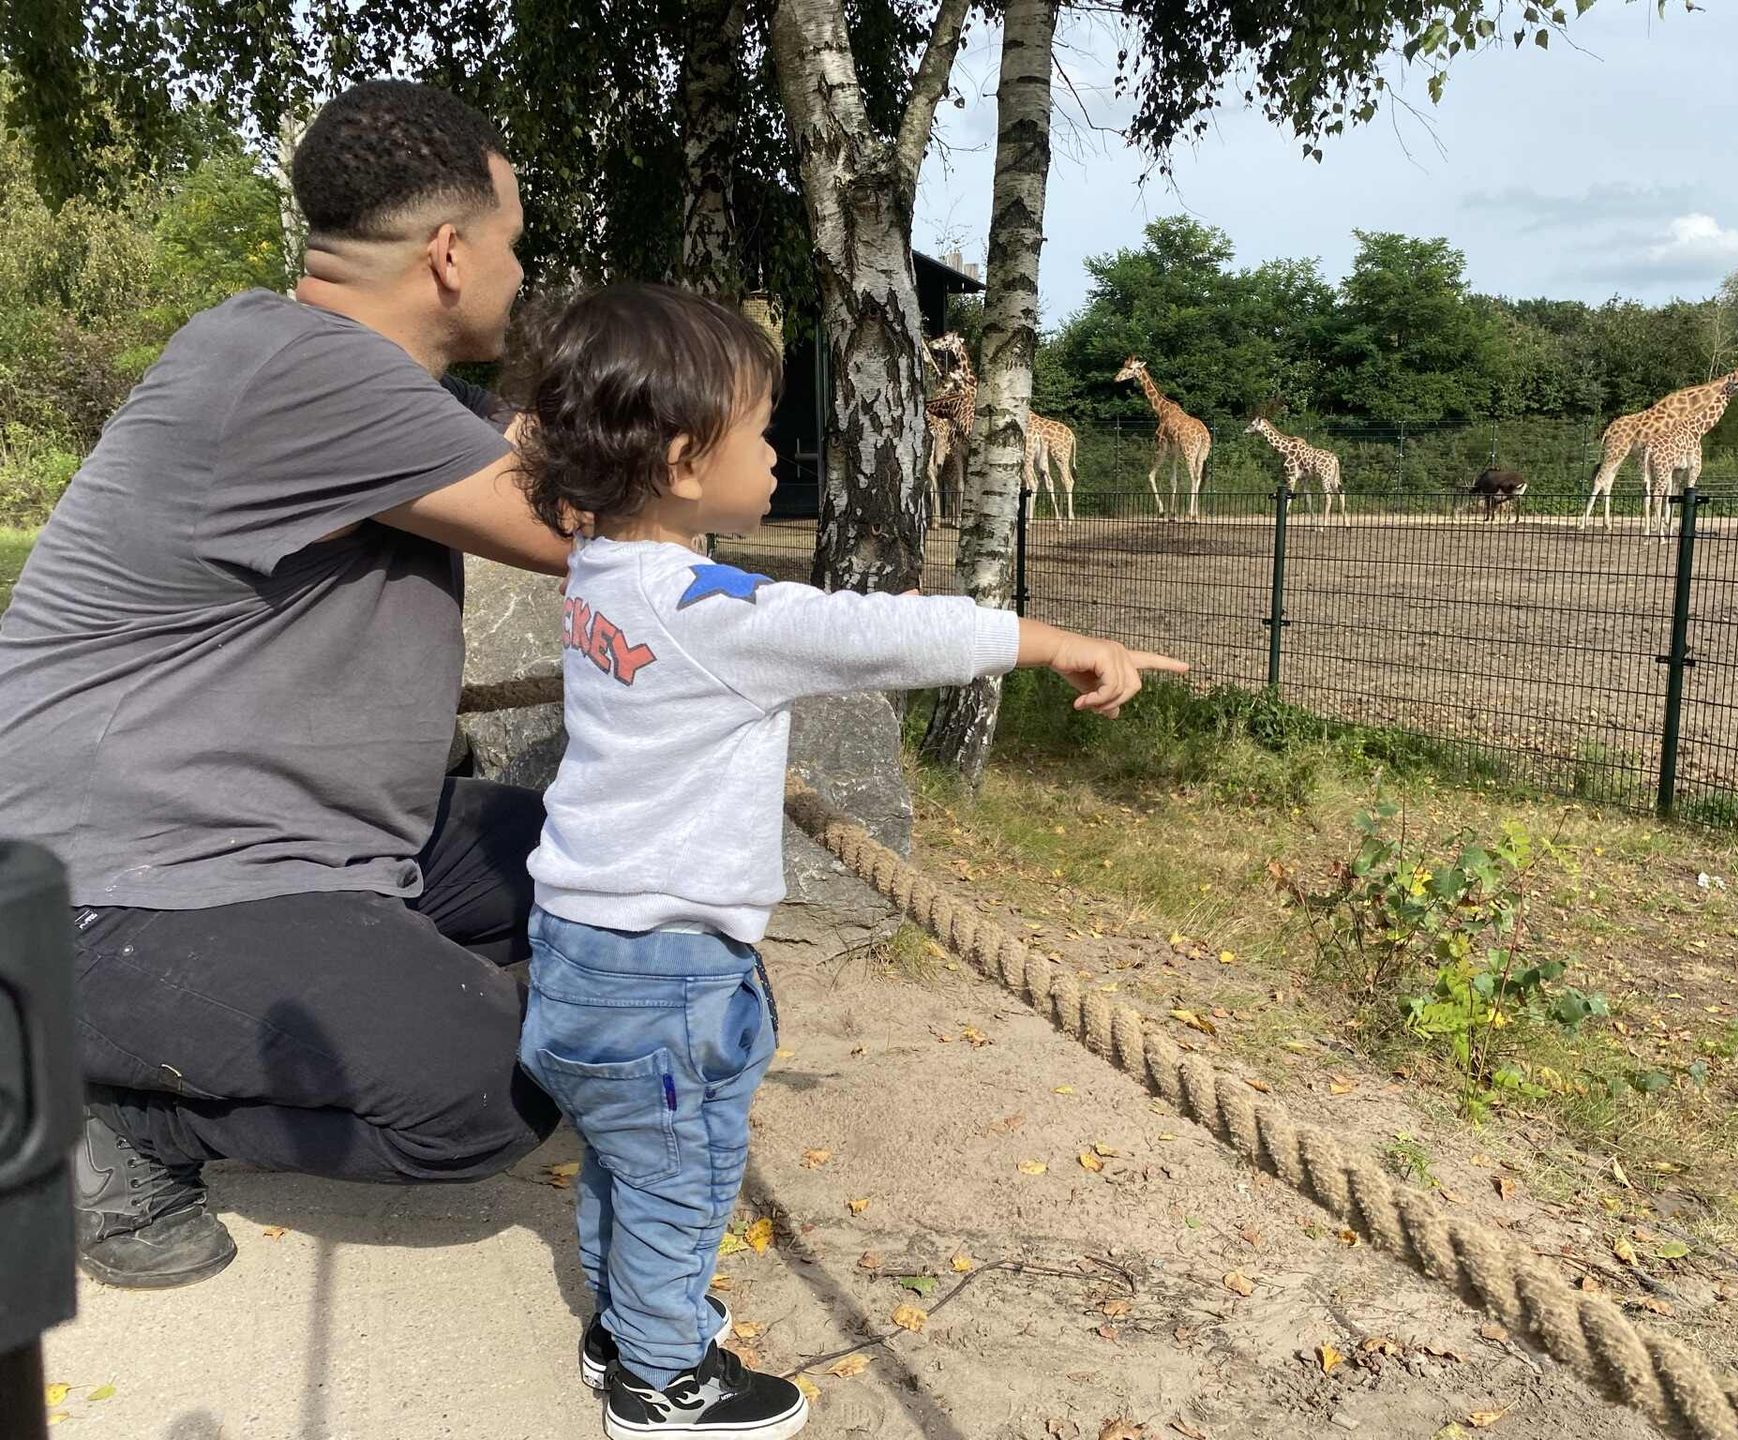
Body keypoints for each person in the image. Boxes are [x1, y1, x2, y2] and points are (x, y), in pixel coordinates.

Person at [509, 283, 1187, 1439]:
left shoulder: (598, 576)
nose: (778, 452)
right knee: (683, 1166)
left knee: (628, 1158)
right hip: (664, 966)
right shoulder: (710, 604)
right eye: (763, 430)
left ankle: (629, 1327)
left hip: (578, 945)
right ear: (682, 459)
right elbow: (883, 631)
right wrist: (1057, 641)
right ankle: (664, 1381)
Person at [0, 80, 570, 1289]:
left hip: (283, 838)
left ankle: (343, 975)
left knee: (592, 862)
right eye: (519, 243)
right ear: (453, 254)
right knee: (501, 1078)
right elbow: (585, 521)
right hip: (111, 889)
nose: (525, 273)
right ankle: (113, 1127)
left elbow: (538, 446)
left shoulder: (346, 377)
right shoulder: (304, 374)